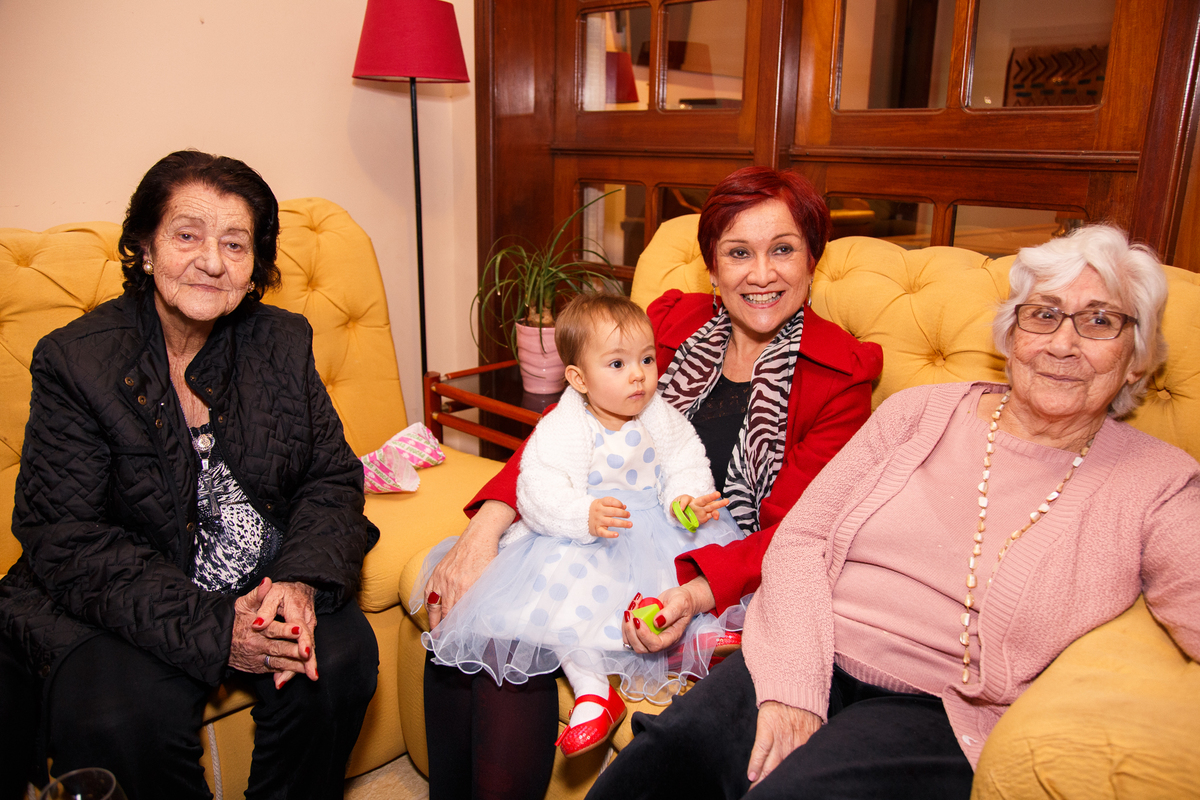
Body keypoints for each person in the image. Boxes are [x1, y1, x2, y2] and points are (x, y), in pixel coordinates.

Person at [586, 223, 1200, 800]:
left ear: (1138, 353)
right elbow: (803, 538)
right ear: (1011, 335)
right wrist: (796, 683)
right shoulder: (919, 414)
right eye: (1042, 316)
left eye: (1100, 322)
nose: (1063, 344)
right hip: (805, 646)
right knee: (660, 763)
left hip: (940, 707)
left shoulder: (1159, 484)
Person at [419, 167, 884, 799]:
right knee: (469, 629)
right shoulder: (668, 322)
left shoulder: (842, 373)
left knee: (511, 655)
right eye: (738, 253)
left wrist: (691, 596)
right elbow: (567, 431)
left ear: (811, 260)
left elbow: (793, 532)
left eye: (783, 249)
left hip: (713, 567)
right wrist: (484, 530)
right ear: (712, 268)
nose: (762, 273)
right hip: (606, 525)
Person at [0, 150, 380, 800]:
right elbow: (66, 536)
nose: (212, 260)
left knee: (339, 660)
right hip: (128, 596)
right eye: (187, 235)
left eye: (235, 243)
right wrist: (214, 629)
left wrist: (300, 581)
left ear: (255, 263)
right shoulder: (76, 361)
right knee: (119, 719)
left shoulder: (280, 342)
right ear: (144, 247)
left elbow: (329, 477)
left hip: (262, 574)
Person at [414, 294, 743, 758]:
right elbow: (537, 486)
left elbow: (685, 461)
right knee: (562, 613)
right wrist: (580, 516)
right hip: (583, 536)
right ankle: (593, 692)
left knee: (674, 576)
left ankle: (693, 634)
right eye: (618, 363)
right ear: (578, 378)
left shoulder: (660, 415)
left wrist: (684, 501)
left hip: (648, 528)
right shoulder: (567, 423)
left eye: (647, 359)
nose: (639, 375)